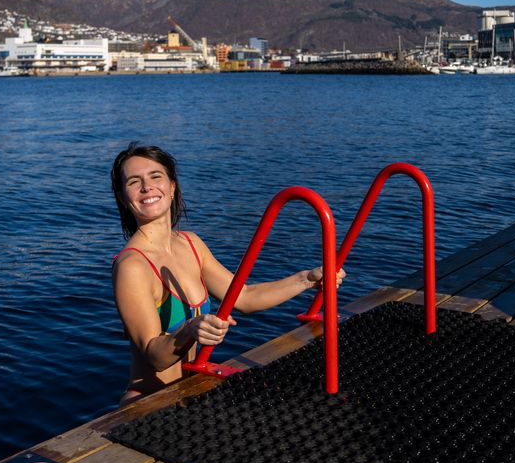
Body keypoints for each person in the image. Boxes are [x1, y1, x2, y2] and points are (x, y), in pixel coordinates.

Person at [111, 142, 345, 405]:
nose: (147, 187)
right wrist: (189, 330)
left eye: (156, 176)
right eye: (134, 181)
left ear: (172, 187)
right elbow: (154, 355)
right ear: (123, 197)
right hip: (147, 402)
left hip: (187, 392)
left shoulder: (191, 244)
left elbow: (243, 296)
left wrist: (306, 279)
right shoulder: (132, 266)